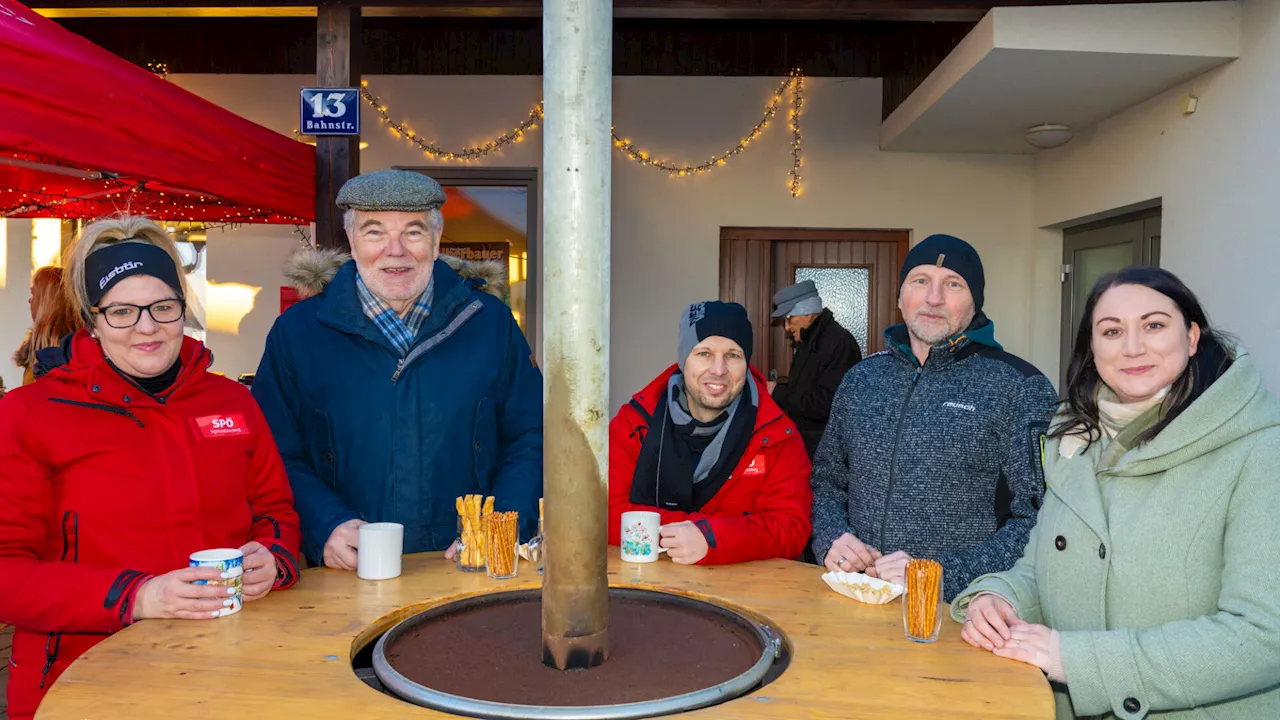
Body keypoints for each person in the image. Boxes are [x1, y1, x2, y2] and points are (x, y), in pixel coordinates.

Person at [0, 216, 301, 720]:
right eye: (121, 311)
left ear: (183, 309)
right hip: (84, 680)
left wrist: (273, 557)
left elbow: (275, 510)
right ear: (91, 319)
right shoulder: (29, 414)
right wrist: (137, 595)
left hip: (231, 666)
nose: (147, 327)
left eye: (163, 307)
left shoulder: (231, 401)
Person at [954, 267, 1280, 719]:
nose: (1132, 347)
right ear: (1092, 348)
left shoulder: (1261, 449)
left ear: (1190, 337)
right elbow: (1042, 565)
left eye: (1153, 325)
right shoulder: (1076, 439)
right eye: (1111, 331)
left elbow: (1265, 635)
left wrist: (1077, 660)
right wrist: (998, 598)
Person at [253, 169, 543, 568]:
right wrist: (326, 523)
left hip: (466, 569)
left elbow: (530, 436)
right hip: (348, 575)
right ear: (352, 242)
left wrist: (500, 527)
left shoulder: (490, 323)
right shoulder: (298, 333)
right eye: (374, 232)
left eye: (413, 232)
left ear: (437, 241)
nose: (395, 250)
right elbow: (274, 452)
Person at [809, 234, 1057, 601]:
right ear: (900, 297)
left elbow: (1042, 519)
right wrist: (831, 537)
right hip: (855, 600)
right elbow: (826, 480)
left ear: (976, 303)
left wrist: (936, 576)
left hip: (960, 613)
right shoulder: (861, 379)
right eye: (920, 281)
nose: (933, 297)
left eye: (953, 284)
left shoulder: (1020, 387)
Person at [608, 301, 812, 564]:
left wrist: (711, 538)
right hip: (645, 586)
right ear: (683, 360)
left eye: (733, 355)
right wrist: (697, 532)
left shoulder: (776, 434)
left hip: (739, 592)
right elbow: (603, 513)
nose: (718, 370)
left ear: (747, 362)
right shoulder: (635, 423)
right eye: (704, 353)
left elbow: (791, 527)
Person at [768, 279, 862, 458]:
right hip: (809, 447)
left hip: (824, 452)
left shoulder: (838, 342)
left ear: (807, 313)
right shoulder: (809, 341)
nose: (787, 328)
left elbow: (825, 404)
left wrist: (777, 392)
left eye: (789, 319)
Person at [12, 266, 81, 386]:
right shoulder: (39, 347)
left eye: (33, 293)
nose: (30, 300)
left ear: (47, 301)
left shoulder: (67, 353)